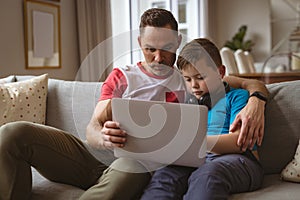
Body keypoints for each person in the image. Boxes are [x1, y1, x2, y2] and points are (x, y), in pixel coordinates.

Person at [0, 8, 267, 200]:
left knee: (136, 169)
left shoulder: (185, 80)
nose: (159, 57)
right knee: (12, 133)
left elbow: (227, 82)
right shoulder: (121, 77)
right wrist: (102, 136)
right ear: (140, 43)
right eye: (151, 48)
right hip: (93, 156)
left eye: (166, 48)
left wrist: (257, 97)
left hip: (133, 166)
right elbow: (93, 128)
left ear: (177, 43)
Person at [141, 38, 264, 200]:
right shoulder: (188, 102)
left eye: (200, 77)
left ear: (220, 72)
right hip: (195, 160)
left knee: (208, 175)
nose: (194, 85)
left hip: (238, 161)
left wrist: (195, 142)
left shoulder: (237, 97)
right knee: (164, 176)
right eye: (188, 79)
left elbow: (238, 142)